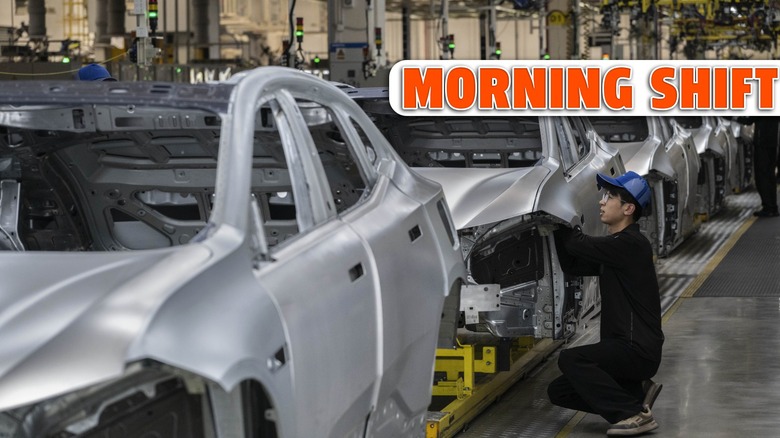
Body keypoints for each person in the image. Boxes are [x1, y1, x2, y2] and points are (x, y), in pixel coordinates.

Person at [547, 171, 665, 436]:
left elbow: (578, 244)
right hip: (623, 349)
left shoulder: (631, 243)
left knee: (571, 358)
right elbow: (573, 262)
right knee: (559, 391)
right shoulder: (618, 249)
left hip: (636, 350)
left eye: (610, 196)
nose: (602, 201)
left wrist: (558, 214)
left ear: (628, 208)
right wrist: (557, 229)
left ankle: (633, 415)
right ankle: (636, 394)